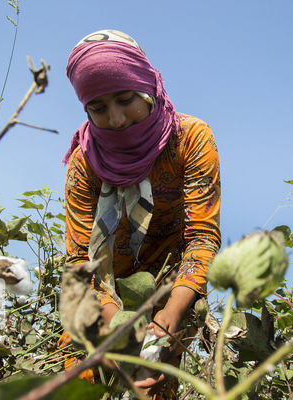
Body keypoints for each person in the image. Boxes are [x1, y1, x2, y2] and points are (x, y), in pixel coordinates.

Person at [59, 29, 221, 398]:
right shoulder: (85, 162)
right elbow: (78, 259)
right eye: (98, 109)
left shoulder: (191, 139)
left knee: (152, 388)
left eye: (125, 99)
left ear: (146, 87)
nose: (116, 120)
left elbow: (202, 238)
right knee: (79, 384)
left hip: (170, 290)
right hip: (101, 296)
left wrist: (170, 317)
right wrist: (107, 326)